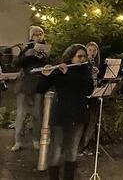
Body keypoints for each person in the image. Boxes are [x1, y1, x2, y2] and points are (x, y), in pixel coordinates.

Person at [38, 44, 94, 180]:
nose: (82, 59)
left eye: (84, 56)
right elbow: (40, 89)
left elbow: (88, 88)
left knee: (72, 152)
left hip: (78, 115)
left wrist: (68, 73)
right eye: (79, 56)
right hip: (61, 116)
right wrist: (45, 76)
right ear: (71, 57)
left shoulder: (85, 70)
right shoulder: (59, 69)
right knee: (56, 152)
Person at [12, 25, 49, 151]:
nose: (38, 36)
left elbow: (49, 63)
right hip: (24, 85)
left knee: (38, 114)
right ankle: (18, 141)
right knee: (21, 114)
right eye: (35, 34)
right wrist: (27, 54)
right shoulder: (26, 48)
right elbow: (16, 63)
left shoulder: (46, 48)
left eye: (40, 34)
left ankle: (35, 139)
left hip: (39, 85)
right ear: (31, 36)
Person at [80, 42, 103, 156]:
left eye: (94, 51)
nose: (92, 53)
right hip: (84, 95)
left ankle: (88, 144)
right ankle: (82, 146)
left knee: (93, 121)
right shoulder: (82, 64)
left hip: (95, 94)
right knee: (84, 120)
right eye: (90, 50)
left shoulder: (98, 64)